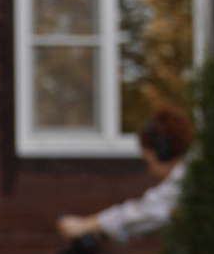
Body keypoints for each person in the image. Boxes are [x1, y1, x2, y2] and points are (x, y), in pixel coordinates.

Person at [57, 105, 194, 246]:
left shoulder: (184, 178)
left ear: (164, 151)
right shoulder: (190, 170)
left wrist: (85, 225)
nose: (150, 170)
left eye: (148, 161)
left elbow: (146, 212)